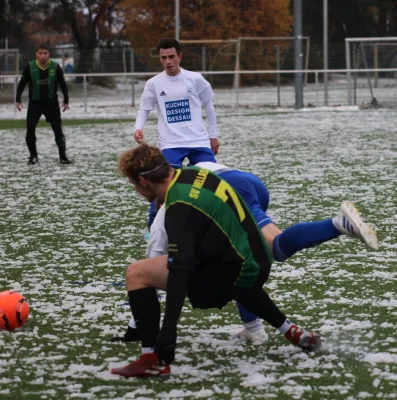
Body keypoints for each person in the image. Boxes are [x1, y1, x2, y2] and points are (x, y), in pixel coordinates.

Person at [112, 159, 378, 345]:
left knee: (273, 247)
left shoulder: (166, 211)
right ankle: (254, 329)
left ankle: (337, 224)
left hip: (230, 186)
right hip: (243, 179)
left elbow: (149, 275)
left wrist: (137, 327)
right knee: (236, 259)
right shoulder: (178, 176)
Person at [111, 144, 323, 378]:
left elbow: (179, 271)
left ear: (142, 181)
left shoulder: (179, 206)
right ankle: (292, 331)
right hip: (258, 260)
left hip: (237, 273)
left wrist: (168, 333)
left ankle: (152, 359)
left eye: (133, 186)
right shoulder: (196, 173)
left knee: (137, 273)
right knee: (232, 271)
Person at [133, 38, 219, 228]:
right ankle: (153, 226)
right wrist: (138, 127)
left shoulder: (195, 79)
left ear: (179, 56)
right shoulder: (154, 84)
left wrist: (213, 135)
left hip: (198, 141)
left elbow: (209, 107)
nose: (168, 61)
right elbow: (144, 109)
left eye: (171, 56)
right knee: (162, 185)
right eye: (164, 58)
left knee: (213, 183)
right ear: (160, 59)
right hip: (171, 144)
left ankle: (211, 223)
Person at [16, 44, 71, 165]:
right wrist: (17, 99)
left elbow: (62, 84)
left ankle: (63, 157)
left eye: (45, 53)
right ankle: (33, 156)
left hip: (51, 104)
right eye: (40, 53)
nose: (43, 56)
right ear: (36, 54)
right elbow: (22, 83)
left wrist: (66, 100)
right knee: (30, 130)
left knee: (58, 131)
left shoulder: (55, 67)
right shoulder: (30, 67)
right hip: (35, 104)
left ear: (49, 54)